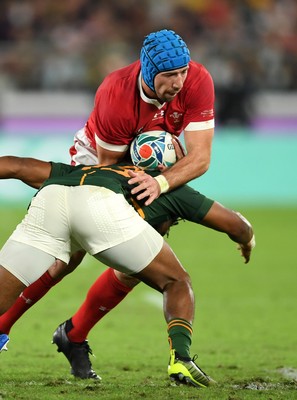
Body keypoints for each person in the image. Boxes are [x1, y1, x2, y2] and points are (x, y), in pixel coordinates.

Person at [0, 27, 217, 374]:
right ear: (148, 72)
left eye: (182, 73)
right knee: (67, 257)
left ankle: (74, 333)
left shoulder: (198, 80)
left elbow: (201, 157)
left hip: (153, 173)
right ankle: (6, 324)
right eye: (168, 75)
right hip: (98, 164)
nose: (178, 83)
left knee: (141, 258)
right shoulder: (117, 93)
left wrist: (159, 182)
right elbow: (107, 169)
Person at [0, 156, 255, 386]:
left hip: (51, 198)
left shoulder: (88, 169)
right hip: (101, 210)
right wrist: (247, 241)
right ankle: (181, 359)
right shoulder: (167, 185)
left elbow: (17, 167)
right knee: (176, 280)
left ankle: (62, 332)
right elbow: (237, 226)